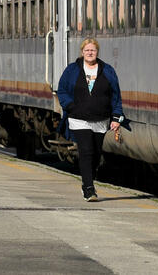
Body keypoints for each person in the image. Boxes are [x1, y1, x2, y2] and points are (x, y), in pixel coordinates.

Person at [56, 37, 124, 202]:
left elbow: (116, 95)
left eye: (92, 50)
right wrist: (70, 106)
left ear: (97, 52)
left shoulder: (107, 70)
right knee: (86, 151)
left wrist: (116, 117)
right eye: (87, 50)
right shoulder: (72, 70)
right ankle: (89, 189)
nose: (90, 53)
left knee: (96, 154)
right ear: (82, 52)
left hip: (100, 120)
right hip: (79, 119)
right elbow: (62, 90)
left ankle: (88, 181)